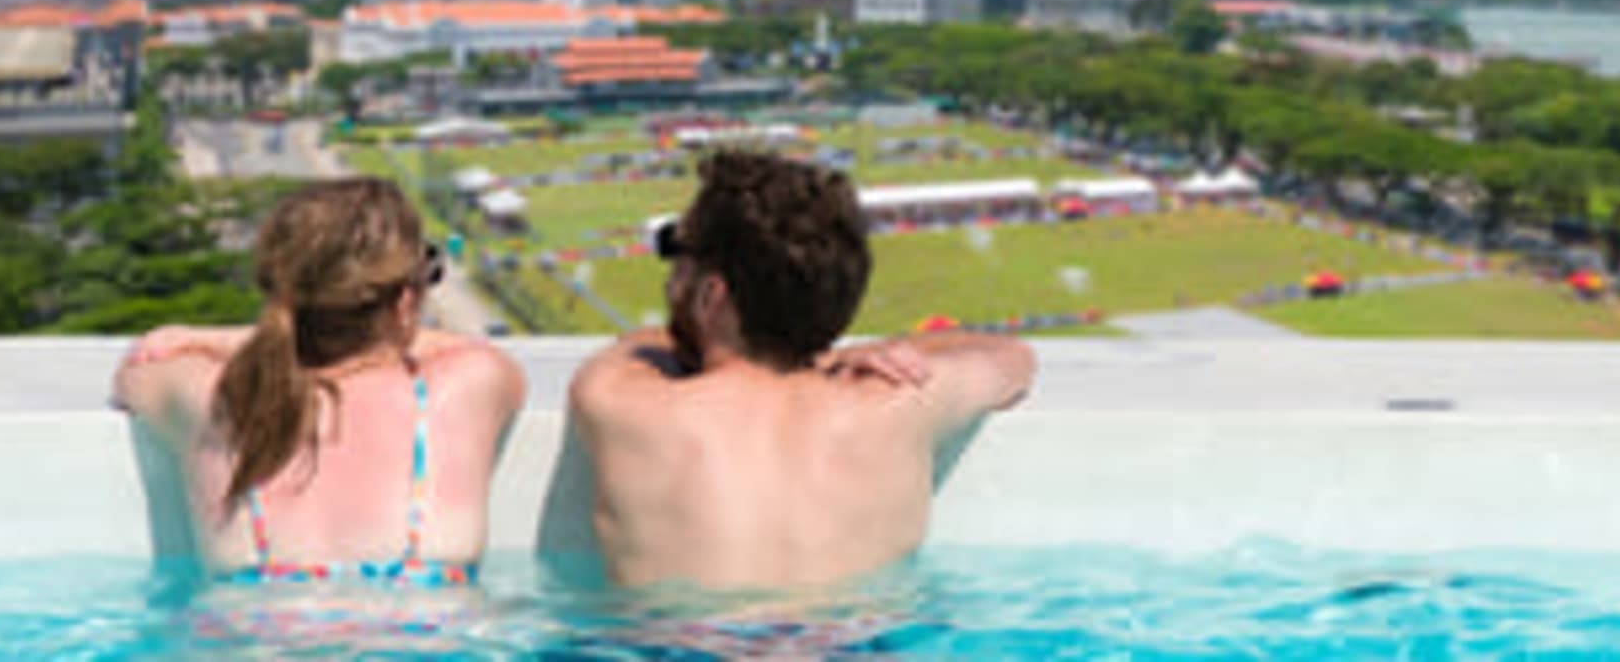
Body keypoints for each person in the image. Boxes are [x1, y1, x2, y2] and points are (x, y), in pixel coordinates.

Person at [569, 151, 1036, 592]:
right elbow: (1012, 358)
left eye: (677, 252)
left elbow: (640, 341)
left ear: (711, 296)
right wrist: (849, 353)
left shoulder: (621, 400)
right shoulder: (902, 400)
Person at [112, 178, 528, 588]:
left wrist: (228, 338)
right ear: (405, 301)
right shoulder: (470, 384)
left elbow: (136, 369)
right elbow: (456, 346)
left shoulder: (204, 396)